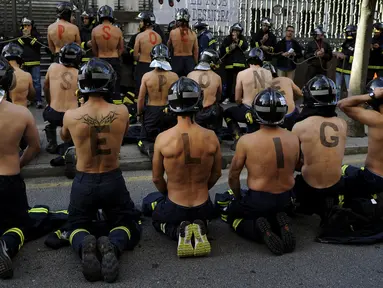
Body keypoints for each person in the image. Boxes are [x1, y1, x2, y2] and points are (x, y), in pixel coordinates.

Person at [61, 58, 141, 283]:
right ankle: (113, 246)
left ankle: (83, 243)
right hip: (112, 178)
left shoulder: (71, 115)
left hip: (84, 180)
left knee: (75, 224)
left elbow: (64, 137)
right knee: (127, 223)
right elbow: (124, 133)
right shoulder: (122, 111)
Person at [142, 77, 221, 257]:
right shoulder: (211, 136)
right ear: (198, 102)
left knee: (152, 210)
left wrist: (169, 193)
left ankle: (177, 231)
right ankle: (202, 225)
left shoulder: (163, 138)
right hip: (202, 204)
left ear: (171, 105)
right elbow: (216, 173)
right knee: (209, 212)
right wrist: (203, 188)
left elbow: (156, 178)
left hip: (175, 204)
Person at [225, 88, 299, 255]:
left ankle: (259, 229)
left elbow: (233, 176)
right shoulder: (293, 137)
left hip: (259, 199)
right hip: (286, 197)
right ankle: (280, 221)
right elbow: (297, 165)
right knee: (274, 209)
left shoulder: (246, 141)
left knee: (232, 216)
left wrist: (238, 198)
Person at [0, 57, 41, 279]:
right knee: (19, 225)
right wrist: (19, 162)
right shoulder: (21, 113)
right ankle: (7, 243)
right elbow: (34, 147)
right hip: (9, 178)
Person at [292, 75, 347, 225]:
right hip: (336, 183)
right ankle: (330, 203)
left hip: (308, 186)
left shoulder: (300, 126)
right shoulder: (342, 123)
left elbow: (293, 161)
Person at [338, 77, 383, 202]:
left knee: (341, 172)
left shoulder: (376, 119)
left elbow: (342, 104)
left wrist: (372, 95)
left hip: (373, 178)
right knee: (348, 169)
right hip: (374, 176)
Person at [223, 48, 272, 150]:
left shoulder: (242, 74)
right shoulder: (268, 73)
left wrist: (241, 102)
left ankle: (238, 136)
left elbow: (237, 98)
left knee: (227, 112)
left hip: (247, 110)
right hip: (265, 112)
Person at [137, 44, 179, 157]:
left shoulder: (147, 76)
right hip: (169, 111)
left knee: (144, 139)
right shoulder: (174, 76)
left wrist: (139, 114)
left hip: (152, 112)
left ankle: (149, 148)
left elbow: (141, 98)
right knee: (169, 136)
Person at [43, 43, 82, 154]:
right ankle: (70, 142)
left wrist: (49, 102)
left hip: (54, 114)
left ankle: (52, 143)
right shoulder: (80, 73)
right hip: (72, 116)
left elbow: (45, 87)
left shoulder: (52, 67)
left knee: (48, 114)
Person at [92, 5, 124, 105]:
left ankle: (102, 105)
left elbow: (94, 48)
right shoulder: (117, 30)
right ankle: (117, 107)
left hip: (101, 59)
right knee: (115, 85)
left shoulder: (95, 30)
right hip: (114, 59)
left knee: (101, 84)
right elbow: (121, 48)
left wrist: (99, 56)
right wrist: (116, 55)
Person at [187, 49, 223, 136]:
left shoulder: (190, 75)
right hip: (211, 114)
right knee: (219, 108)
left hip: (195, 114)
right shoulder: (217, 77)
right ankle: (217, 135)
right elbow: (219, 97)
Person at [263, 63, 303, 130]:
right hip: (292, 114)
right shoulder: (287, 80)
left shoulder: (265, 86)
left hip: (278, 117)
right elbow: (300, 93)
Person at [17, 17, 44, 108]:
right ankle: (27, 100)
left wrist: (28, 38)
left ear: (32, 26)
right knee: (24, 83)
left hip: (35, 62)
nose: (26, 27)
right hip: (24, 62)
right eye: (25, 25)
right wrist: (23, 37)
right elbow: (17, 44)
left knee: (36, 82)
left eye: (28, 25)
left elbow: (38, 44)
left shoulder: (36, 34)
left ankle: (38, 100)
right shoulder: (19, 34)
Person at [134, 11, 162, 96]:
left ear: (146, 23)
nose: (140, 23)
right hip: (155, 67)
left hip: (142, 66)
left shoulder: (139, 36)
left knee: (141, 91)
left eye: (141, 21)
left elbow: (135, 55)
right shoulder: (158, 36)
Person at [219, 22, 249, 103]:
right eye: (234, 31)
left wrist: (237, 41)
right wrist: (229, 48)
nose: (236, 32)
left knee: (238, 82)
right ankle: (228, 97)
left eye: (238, 31)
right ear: (231, 31)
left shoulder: (242, 39)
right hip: (229, 65)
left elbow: (245, 47)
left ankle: (238, 97)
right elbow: (222, 50)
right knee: (229, 82)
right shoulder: (227, 39)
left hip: (240, 65)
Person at [2, 43, 35, 107]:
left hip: (5, 113)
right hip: (22, 113)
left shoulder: (2, 75)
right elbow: (31, 97)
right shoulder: (27, 76)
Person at [168, 8, 198, 77]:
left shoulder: (173, 32)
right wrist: (196, 63)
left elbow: (168, 47)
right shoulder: (193, 33)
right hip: (189, 61)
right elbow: (196, 51)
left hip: (176, 61)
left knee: (175, 81)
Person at [334, 25, 357, 92]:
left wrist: (346, 57)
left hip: (349, 71)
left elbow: (356, 59)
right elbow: (341, 51)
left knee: (349, 90)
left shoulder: (357, 44)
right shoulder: (345, 42)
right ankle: (337, 102)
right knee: (337, 89)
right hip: (339, 69)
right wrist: (337, 54)